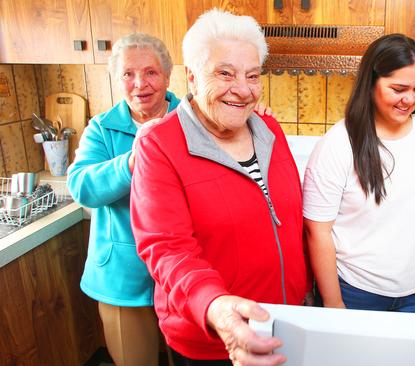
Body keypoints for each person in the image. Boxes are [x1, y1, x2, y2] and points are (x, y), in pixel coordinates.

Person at [130, 9, 309, 366]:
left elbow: (289, 222)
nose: (243, 90)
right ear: (192, 78)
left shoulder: (269, 130)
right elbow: (168, 250)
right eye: (225, 73)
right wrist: (215, 307)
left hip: (286, 323)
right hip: (214, 339)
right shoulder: (160, 145)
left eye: (253, 76)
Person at [303, 34, 415, 314]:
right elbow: (318, 231)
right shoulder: (338, 144)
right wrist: (333, 302)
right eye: (398, 89)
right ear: (371, 83)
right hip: (356, 292)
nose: (409, 99)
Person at [67, 33, 181, 366]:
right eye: (128, 74)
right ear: (118, 81)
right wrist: (133, 161)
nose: (140, 84)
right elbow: (82, 187)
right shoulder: (102, 129)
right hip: (122, 277)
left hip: (182, 275)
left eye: (151, 72)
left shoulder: (192, 119)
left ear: (167, 76)